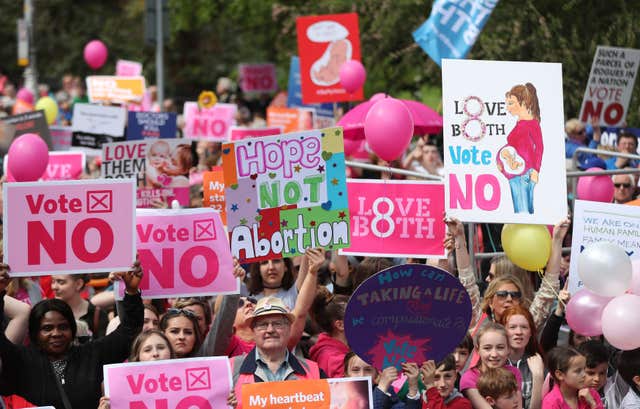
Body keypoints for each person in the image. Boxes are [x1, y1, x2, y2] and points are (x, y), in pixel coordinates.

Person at [0, 263, 143, 409]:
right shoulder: (21, 361)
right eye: (47, 328)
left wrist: (131, 291)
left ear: (73, 329)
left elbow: (129, 331)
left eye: (63, 327)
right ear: (35, 333)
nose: (56, 333)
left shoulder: (91, 356)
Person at [230, 296, 323, 409]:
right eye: (263, 325)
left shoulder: (314, 371)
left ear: (289, 329)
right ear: (253, 331)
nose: (270, 330)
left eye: (277, 324)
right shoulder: (230, 369)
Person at [497, 83, 544, 214]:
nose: (508, 108)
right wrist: (501, 161)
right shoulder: (521, 123)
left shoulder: (530, 124)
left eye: (511, 103)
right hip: (518, 173)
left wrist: (536, 170)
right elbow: (516, 148)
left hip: (523, 174)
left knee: (522, 213)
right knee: (525, 212)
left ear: (522, 102)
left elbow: (539, 147)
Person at [460, 323, 522, 408]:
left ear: (508, 349)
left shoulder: (513, 372)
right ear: (478, 350)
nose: (494, 354)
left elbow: (517, 406)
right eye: (487, 348)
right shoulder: (469, 377)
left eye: (500, 347)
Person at [499, 305, 545, 409]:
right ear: (503, 331)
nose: (519, 332)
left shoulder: (538, 363)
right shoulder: (494, 361)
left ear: (531, 333)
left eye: (524, 327)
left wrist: (538, 376)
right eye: (512, 327)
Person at [343, 351, 421, 409]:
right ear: (346, 374)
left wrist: (413, 386)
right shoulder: (336, 395)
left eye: (368, 370)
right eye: (355, 370)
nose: (362, 375)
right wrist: (382, 388)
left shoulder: (387, 391)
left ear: (376, 374)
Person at [51, 274, 109, 340]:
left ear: (79, 284)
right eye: (53, 281)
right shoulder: (48, 313)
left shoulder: (97, 314)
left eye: (61, 282)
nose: (54, 287)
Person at [309, 287, 350, 377]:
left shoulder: (324, 349)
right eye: (356, 317)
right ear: (340, 325)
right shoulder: (337, 360)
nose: (363, 321)